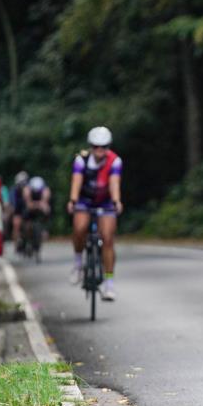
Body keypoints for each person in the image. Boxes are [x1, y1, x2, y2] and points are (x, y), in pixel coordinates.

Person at [67, 126, 123, 301]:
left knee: (107, 238)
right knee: (79, 228)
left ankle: (109, 283)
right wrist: (73, 200)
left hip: (105, 201)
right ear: (91, 146)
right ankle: (78, 263)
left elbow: (114, 182)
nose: (100, 150)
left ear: (108, 147)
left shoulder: (115, 161)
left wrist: (116, 201)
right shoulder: (81, 160)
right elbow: (76, 181)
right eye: (96, 146)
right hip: (84, 200)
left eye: (104, 147)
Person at [22, 176, 52, 248]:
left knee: (47, 210)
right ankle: (25, 236)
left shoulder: (46, 190)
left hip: (39, 207)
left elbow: (45, 203)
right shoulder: (26, 190)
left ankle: (45, 229)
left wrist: (38, 205)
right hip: (31, 208)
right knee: (26, 218)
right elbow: (28, 204)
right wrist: (38, 204)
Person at [10, 171, 29, 251]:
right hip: (18, 210)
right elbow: (13, 203)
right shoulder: (14, 190)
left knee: (29, 225)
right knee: (16, 225)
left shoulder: (28, 188)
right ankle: (16, 243)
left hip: (26, 210)